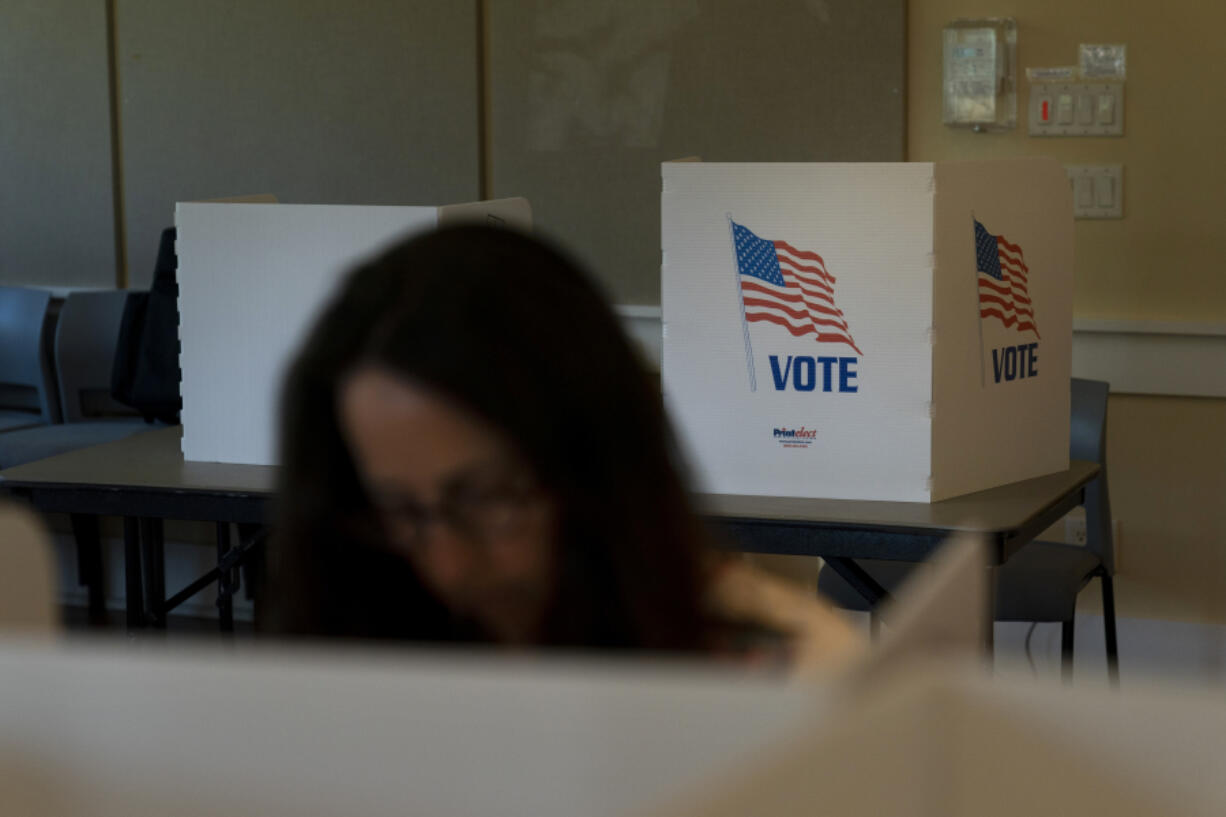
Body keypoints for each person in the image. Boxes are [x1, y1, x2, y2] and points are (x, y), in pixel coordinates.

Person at [267, 224, 862, 674]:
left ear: (597, 466)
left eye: (487, 498)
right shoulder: (345, 653)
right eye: (398, 512)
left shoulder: (789, 670)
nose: (447, 566)